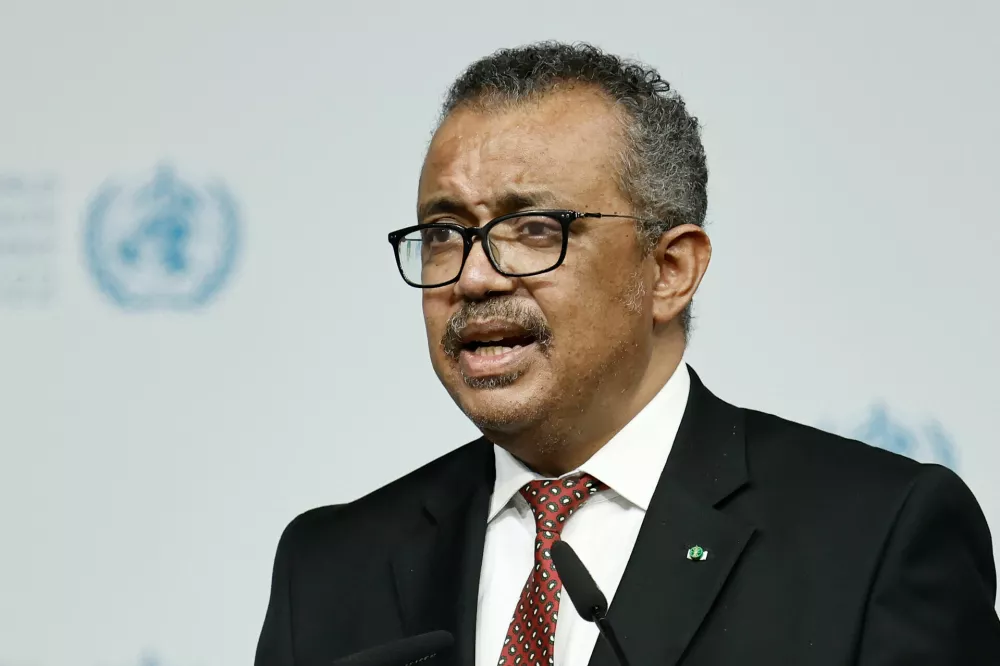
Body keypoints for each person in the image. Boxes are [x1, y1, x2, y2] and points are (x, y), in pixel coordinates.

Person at [254, 42, 1000, 666]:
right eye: (446, 231)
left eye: (535, 228)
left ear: (669, 270)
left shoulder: (873, 538)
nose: (474, 275)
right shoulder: (329, 567)